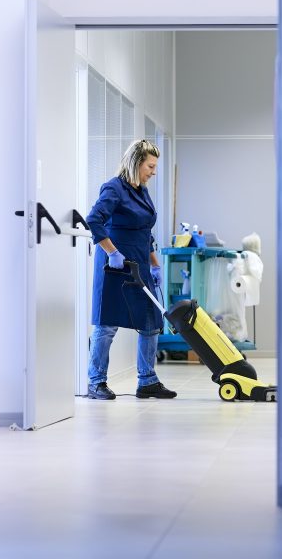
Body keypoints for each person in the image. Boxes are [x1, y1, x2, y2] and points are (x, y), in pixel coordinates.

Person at [84, 139, 177, 400]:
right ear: (136, 163)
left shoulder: (142, 190)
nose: (153, 171)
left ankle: (147, 380)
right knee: (107, 324)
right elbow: (94, 220)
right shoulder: (114, 188)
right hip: (115, 265)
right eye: (150, 165)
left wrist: (156, 265)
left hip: (140, 264)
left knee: (150, 322)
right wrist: (112, 252)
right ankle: (96, 381)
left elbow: (145, 232)